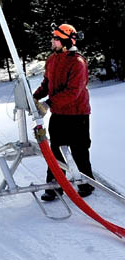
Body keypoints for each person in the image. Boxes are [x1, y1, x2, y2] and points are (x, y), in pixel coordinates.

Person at [33, 23, 94, 201]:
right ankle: (54, 186)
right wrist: (35, 97)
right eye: (53, 38)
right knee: (55, 151)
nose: (52, 41)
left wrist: (49, 103)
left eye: (56, 39)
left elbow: (73, 91)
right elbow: (47, 83)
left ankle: (86, 183)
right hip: (59, 114)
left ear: (66, 41)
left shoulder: (77, 62)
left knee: (79, 150)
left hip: (77, 114)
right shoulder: (52, 59)